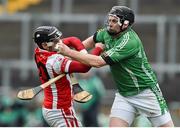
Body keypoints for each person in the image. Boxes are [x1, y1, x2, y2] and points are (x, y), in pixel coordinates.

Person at [56, 6, 174, 127]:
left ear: (125, 24)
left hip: (146, 92)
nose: (110, 24)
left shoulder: (129, 41)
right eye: (110, 20)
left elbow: (98, 62)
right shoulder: (106, 32)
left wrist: (69, 53)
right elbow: (89, 42)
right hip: (124, 95)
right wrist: (68, 57)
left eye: (114, 21)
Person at [33, 26, 103, 127]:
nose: (60, 42)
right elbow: (85, 67)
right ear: (45, 44)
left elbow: (72, 40)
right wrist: (98, 48)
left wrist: (83, 54)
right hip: (60, 111)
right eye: (55, 40)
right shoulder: (54, 62)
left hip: (54, 108)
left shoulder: (40, 50)